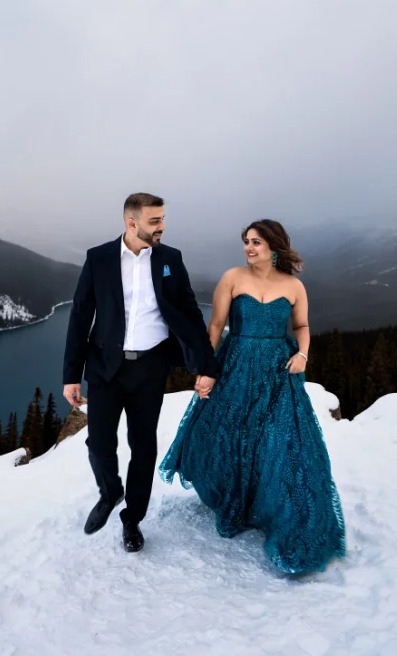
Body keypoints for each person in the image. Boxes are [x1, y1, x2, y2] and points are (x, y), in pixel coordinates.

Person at [159, 219, 346, 574]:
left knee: (282, 443)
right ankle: (234, 499)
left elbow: (302, 326)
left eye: (256, 242)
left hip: (279, 369)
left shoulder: (294, 286)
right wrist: (205, 370)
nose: (249, 248)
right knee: (225, 434)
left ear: (274, 247)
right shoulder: (232, 277)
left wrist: (302, 354)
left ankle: (284, 515)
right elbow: (214, 326)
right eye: (246, 241)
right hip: (236, 365)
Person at [62, 193, 218, 553]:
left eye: (163, 219)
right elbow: (80, 317)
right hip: (105, 369)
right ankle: (110, 491)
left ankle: (132, 520)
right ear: (131, 224)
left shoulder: (170, 259)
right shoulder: (98, 258)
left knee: (143, 446)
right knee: (99, 444)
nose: (162, 227)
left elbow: (191, 313)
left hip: (150, 368)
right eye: (154, 221)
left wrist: (206, 365)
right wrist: (72, 374)